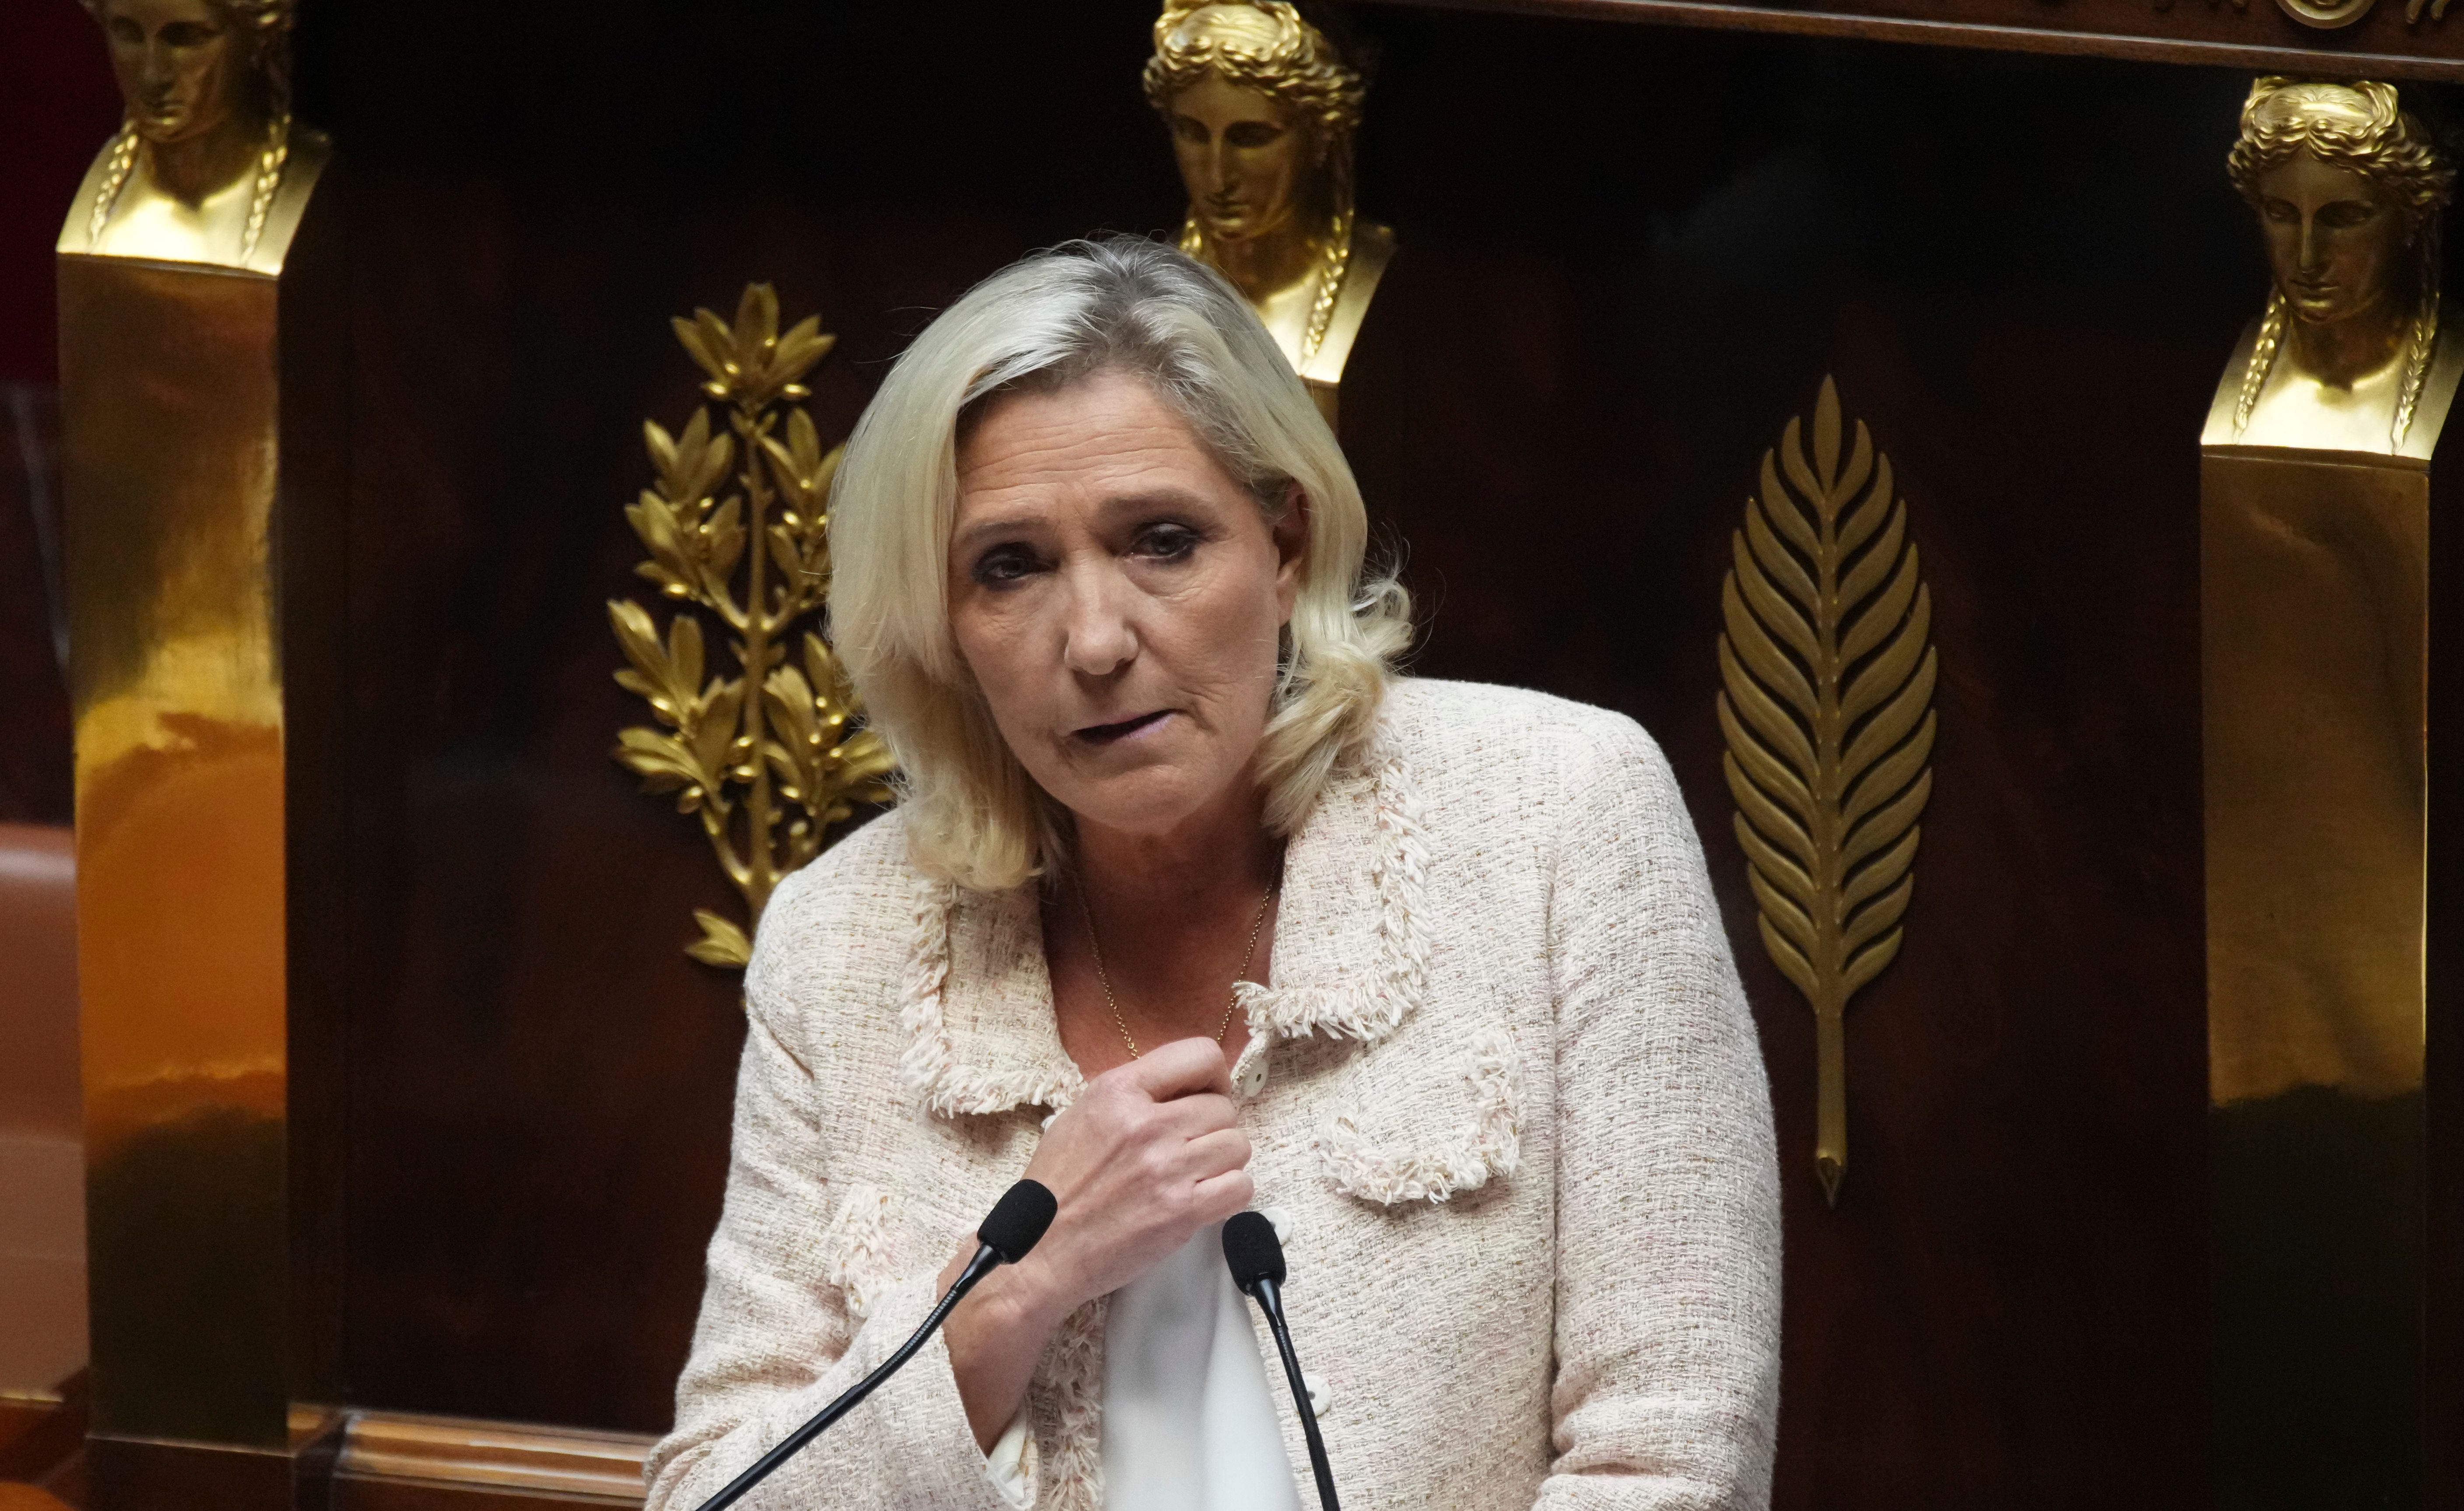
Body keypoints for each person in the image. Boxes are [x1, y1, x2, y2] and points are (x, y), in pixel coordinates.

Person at [645, 237, 1781, 1511]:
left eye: (1161, 540)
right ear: (944, 621)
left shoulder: (1558, 817)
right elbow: (709, 1497)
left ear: (1284, 543)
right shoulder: (841, 940)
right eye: (1008, 565)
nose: (1093, 642)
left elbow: (1671, 1456)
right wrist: (1011, 1290)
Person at [2223, 78, 2456, 453]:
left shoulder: (2450, 364)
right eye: (2282, 214)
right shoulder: (2210, 361)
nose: (2307, 258)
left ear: (2414, 216)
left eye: (2344, 218)